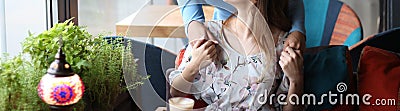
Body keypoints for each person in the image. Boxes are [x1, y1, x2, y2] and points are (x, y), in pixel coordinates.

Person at [169, 0, 304, 110]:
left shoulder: (283, 48)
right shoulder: (210, 35)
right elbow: (176, 92)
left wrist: (296, 80)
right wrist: (194, 65)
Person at [178, 0, 306, 52]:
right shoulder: (215, 31)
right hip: (223, 27)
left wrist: (298, 29)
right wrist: (192, 21)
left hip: (270, 22)